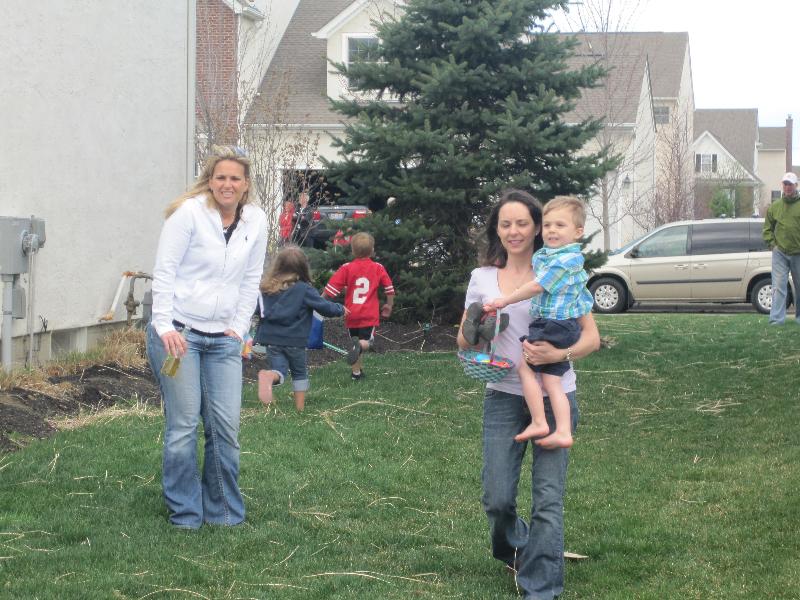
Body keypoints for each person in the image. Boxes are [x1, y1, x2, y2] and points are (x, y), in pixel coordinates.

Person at [457, 189, 600, 600]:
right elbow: (462, 340)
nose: (514, 231)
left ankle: (542, 588)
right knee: (497, 498)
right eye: (506, 224)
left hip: (556, 396)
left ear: (537, 227)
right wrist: (477, 328)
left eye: (522, 223)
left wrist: (560, 354)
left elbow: (591, 338)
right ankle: (517, 549)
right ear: (497, 230)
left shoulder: (559, 268)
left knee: (547, 500)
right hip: (503, 394)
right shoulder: (483, 278)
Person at [145, 145, 267, 529]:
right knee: (183, 427)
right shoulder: (189, 214)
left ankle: (224, 513)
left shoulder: (256, 220)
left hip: (224, 340)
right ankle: (186, 513)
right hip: (179, 334)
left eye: (235, 178)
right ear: (210, 181)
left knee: (225, 428)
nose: (227, 184)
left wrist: (240, 326)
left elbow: (251, 277)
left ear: (245, 184)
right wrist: (164, 326)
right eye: (221, 177)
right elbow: (165, 271)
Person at [482, 196, 593, 448]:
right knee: (550, 380)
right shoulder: (551, 258)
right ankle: (560, 430)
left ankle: (540, 421)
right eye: (549, 225)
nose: (552, 230)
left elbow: (536, 286)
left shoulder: (563, 262)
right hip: (555, 327)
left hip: (553, 325)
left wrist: (504, 300)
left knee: (525, 369)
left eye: (560, 225)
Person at [254, 246, 345, 411]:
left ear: (277, 266)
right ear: (303, 267)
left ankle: (269, 376)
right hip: (295, 341)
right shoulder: (304, 289)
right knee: (299, 373)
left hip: (271, 340)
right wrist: (340, 309)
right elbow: (324, 307)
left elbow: (256, 309)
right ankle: (300, 409)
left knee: (279, 370)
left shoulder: (267, 288)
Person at [323, 232, 395, 380]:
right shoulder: (378, 268)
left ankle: (356, 374)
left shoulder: (346, 268)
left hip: (351, 313)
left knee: (354, 342)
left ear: (353, 251)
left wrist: (318, 302)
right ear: (372, 250)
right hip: (368, 314)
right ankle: (360, 347)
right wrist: (389, 305)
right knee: (367, 342)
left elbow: (330, 290)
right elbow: (389, 289)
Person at [763, 172, 800, 325]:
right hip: (780, 254)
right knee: (778, 286)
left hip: (798, 253)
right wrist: (772, 245)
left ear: (796, 185)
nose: (787, 187)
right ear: (782, 185)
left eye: (790, 184)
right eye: (785, 184)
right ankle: (776, 320)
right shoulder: (775, 206)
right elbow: (767, 229)